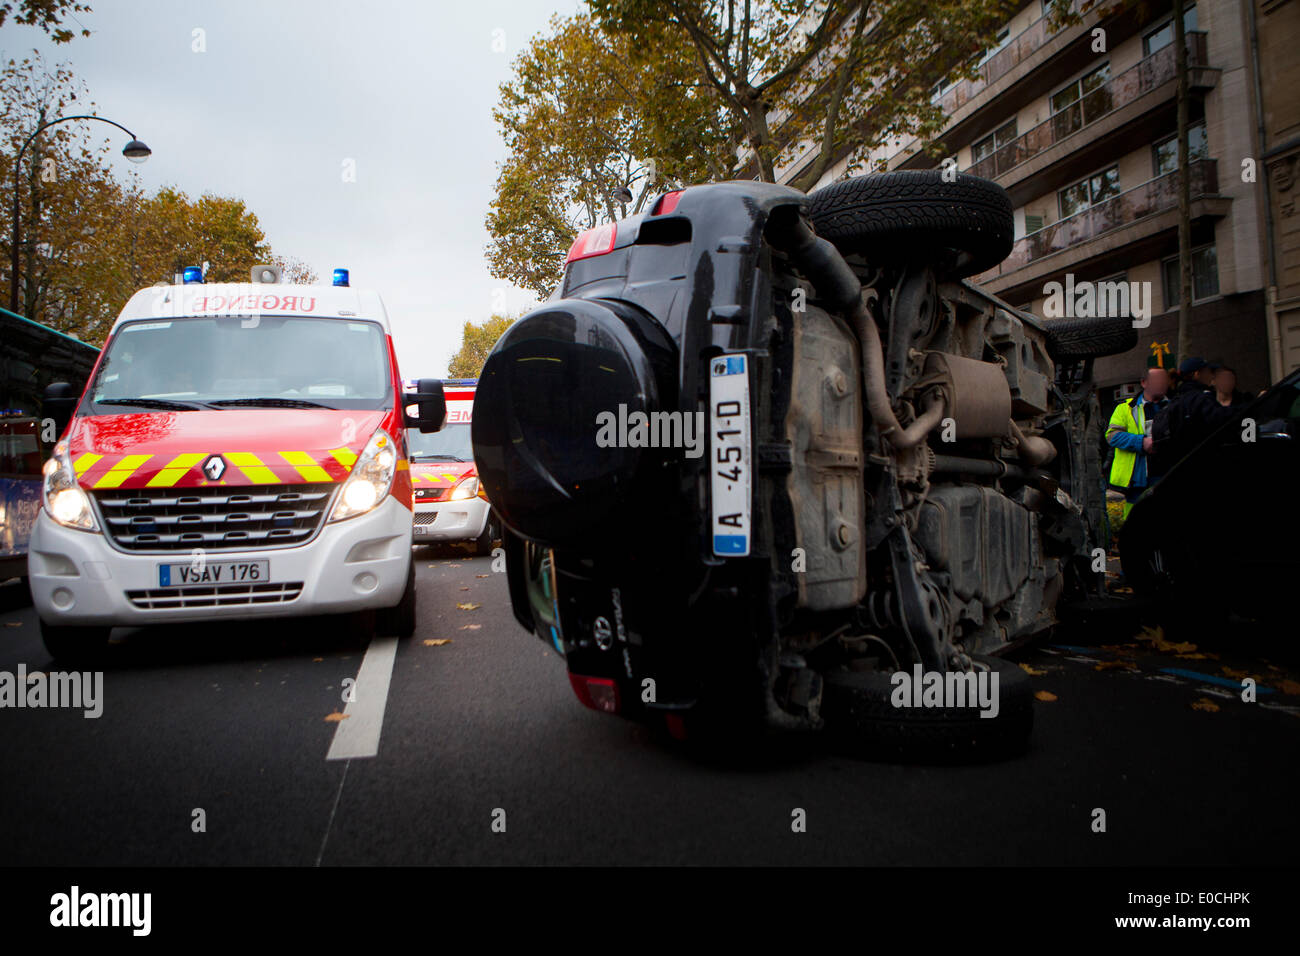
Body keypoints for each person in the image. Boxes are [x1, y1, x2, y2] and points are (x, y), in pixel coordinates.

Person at [1106, 366, 1170, 519]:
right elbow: (1112, 436)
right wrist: (1142, 442)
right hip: (1138, 477)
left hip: (1166, 473)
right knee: (1135, 518)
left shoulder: (1174, 407)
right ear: (1144, 383)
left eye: (1163, 380)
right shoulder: (1125, 408)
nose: (1160, 384)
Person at [1149, 357, 1215, 478]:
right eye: (1209, 372)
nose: (1212, 376)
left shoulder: (1174, 402)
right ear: (1197, 374)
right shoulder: (1198, 399)